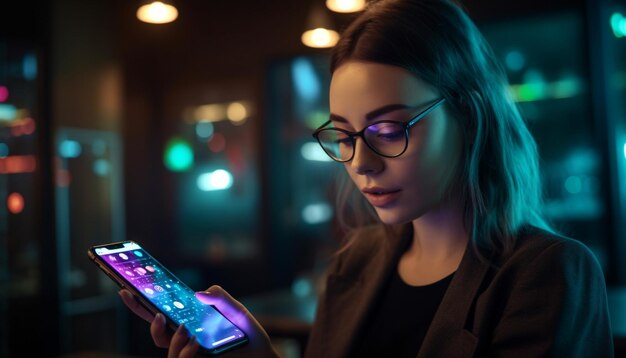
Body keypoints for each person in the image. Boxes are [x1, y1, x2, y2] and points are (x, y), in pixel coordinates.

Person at [120, 0, 615, 357]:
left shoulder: (546, 273)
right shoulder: (356, 260)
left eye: (388, 129)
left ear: (467, 115)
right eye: (343, 135)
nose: (362, 162)